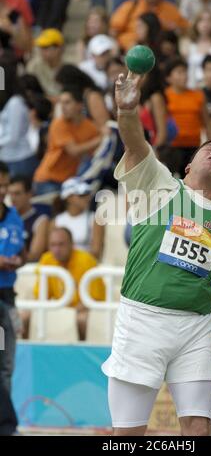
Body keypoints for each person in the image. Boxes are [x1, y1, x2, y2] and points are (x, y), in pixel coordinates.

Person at [100, 69, 211, 436]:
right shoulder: (159, 186)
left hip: (195, 329)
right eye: (207, 148)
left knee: (198, 429)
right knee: (127, 436)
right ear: (188, 166)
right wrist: (128, 111)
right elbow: (135, 144)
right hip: (142, 322)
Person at [34, 227, 105, 340]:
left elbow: (94, 299)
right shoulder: (46, 260)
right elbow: (41, 297)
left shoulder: (86, 260)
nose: (57, 249)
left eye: (61, 244)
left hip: (83, 310)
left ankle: (82, 352)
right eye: (53, 245)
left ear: (71, 244)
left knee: (81, 320)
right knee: (26, 315)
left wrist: (68, 313)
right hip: (59, 309)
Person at [33, 87, 102, 195]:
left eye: (67, 102)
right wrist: (99, 140)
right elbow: (73, 151)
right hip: (48, 179)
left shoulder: (90, 127)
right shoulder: (58, 124)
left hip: (69, 180)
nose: (63, 107)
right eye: (61, 103)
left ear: (79, 105)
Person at [0, 160, 25, 436]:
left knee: (5, 365)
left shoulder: (13, 217)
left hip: (6, 301)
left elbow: (21, 252)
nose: (2, 191)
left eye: (5, 185)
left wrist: (16, 260)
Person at [161, 57, 211, 176]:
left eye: (185, 71)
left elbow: (207, 123)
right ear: (168, 78)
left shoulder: (198, 95)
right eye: (179, 72)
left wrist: (210, 147)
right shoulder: (164, 96)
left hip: (193, 146)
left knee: (190, 185)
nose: (184, 76)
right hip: (171, 147)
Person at [110, 0, 189, 51]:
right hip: (130, 51)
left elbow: (187, 30)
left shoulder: (171, 10)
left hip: (160, 53)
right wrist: (128, 43)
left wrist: (176, 30)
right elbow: (113, 31)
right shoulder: (129, 7)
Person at [52, 177, 105, 261]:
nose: (88, 198)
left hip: (86, 269)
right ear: (69, 198)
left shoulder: (96, 219)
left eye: (88, 194)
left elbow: (96, 253)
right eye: (82, 195)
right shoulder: (56, 221)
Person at [8, 175, 50, 262]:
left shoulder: (41, 219)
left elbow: (34, 255)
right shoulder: (5, 217)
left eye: (17, 194)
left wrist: (8, 261)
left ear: (29, 194)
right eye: (10, 194)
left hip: (29, 271)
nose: (13, 199)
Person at [183, 9, 211, 89]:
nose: (206, 24)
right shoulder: (187, 43)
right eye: (202, 20)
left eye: (209, 21)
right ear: (196, 23)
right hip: (192, 85)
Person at [27, 28, 66, 100]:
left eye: (46, 47)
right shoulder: (34, 66)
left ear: (59, 48)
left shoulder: (67, 69)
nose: (42, 51)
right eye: (41, 47)